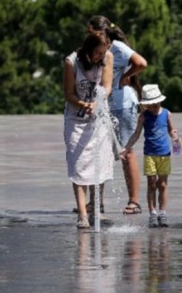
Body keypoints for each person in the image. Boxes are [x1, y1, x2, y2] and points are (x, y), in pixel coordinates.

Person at [87, 15, 147, 215]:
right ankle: (96, 202)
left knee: (126, 152)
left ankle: (134, 201)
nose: (88, 34)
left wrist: (124, 76)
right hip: (104, 104)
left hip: (123, 104)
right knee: (100, 152)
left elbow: (141, 63)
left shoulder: (118, 47)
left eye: (91, 31)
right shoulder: (94, 49)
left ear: (101, 31)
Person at [63, 33, 114, 229]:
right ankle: (82, 214)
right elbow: (68, 93)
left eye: (103, 53)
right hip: (76, 119)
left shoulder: (107, 58)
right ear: (88, 51)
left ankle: (96, 209)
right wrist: (83, 103)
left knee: (99, 163)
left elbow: (107, 86)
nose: (101, 57)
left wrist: (97, 102)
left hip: (99, 117)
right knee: (79, 165)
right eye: (98, 53)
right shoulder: (71, 62)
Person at [120, 84, 182, 228]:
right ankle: (152, 213)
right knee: (151, 184)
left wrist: (176, 138)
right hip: (150, 154)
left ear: (160, 101)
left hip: (164, 154)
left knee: (163, 184)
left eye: (155, 104)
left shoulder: (166, 113)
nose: (153, 108)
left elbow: (171, 130)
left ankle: (163, 212)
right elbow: (136, 134)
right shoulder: (143, 116)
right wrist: (126, 148)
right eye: (150, 105)